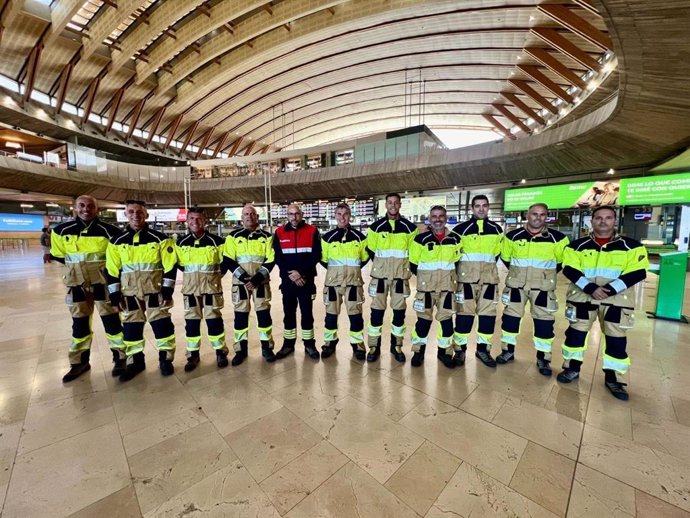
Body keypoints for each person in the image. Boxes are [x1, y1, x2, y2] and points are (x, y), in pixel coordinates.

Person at [557, 205, 648, 400]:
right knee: (575, 335)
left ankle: (613, 378)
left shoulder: (632, 247)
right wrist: (591, 289)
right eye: (598, 218)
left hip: (616, 301)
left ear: (615, 221)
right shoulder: (577, 246)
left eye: (608, 218)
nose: (603, 221)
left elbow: (638, 272)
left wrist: (610, 289)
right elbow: (569, 269)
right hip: (582, 298)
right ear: (592, 221)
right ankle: (572, 369)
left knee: (616, 340)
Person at [50, 195, 124, 382]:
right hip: (76, 285)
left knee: (112, 323)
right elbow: (59, 255)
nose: (86, 209)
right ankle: (79, 363)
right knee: (80, 325)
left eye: (90, 206)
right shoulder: (60, 230)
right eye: (81, 205)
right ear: (74, 208)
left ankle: (121, 358)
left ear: (97, 209)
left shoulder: (110, 231)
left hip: (103, 284)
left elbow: (117, 259)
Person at [106, 200, 177, 381]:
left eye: (139, 212)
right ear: (126, 214)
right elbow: (112, 270)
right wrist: (115, 296)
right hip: (129, 293)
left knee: (162, 327)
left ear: (146, 214)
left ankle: (166, 360)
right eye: (131, 212)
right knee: (131, 330)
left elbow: (170, 267)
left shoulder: (161, 239)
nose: (135, 215)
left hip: (156, 292)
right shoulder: (116, 242)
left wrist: (167, 292)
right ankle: (135, 362)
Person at [496, 203, 569, 376]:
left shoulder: (558, 238)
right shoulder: (512, 236)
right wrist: (518, 275)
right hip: (516, 286)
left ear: (547, 217)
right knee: (510, 320)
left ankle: (543, 358)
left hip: (543, 289)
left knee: (544, 323)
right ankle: (508, 351)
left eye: (542, 214)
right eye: (534, 214)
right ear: (527, 215)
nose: (538, 217)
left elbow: (561, 262)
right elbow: (506, 259)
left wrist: (544, 277)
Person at [451, 195, 504, 367]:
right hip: (466, 281)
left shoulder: (497, 230)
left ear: (488, 208)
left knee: (487, 317)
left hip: (489, 281)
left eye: (484, 206)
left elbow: (496, 254)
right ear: (472, 209)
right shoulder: (460, 230)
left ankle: (483, 350)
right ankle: (460, 350)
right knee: (464, 317)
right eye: (477, 206)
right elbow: (455, 255)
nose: (481, 209)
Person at [365, 193, 417, 363]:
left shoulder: (410, 228)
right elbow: (372, 251)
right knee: (376, 314)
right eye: (390, 203)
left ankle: (397, 346)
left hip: (400, 279)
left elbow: (413, 253)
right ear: (385, 205)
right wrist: (381, 267)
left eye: (396, 203)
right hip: (380, 278)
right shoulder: (375, 228)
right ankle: (374, 346)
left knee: (399, 314)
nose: (393, 205)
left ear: (400, 205)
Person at [175, 207, 229, 371]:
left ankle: (220, 352)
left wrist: (213, 279)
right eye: (191, 218)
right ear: (187, 221)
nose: (195, 222)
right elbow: (179, 264)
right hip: (190, 290)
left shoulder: (217, 242)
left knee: (214, 321)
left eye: (199, 219)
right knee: (191, 323)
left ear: (205, 221)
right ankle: (192, 354)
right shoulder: (181, 243)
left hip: (211, 289)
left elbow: (224, 263)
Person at [222, 204, 276, 365]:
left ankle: (267, 347)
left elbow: (271, 259)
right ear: (242, 217)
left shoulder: (267, 237)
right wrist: (245, 278)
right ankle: (241, 349)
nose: (249, 217)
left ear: (257, 217)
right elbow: (228, 260)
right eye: (246, 214)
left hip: (260, 283)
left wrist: (257, 279)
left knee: (264, 315)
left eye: (252, 214)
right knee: (240, 316)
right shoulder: (233, 237)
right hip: (241, 284)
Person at [409, 206, 461, 368]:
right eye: (434, 216)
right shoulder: (420, 240)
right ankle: (418, 351)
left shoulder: (455, 239)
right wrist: (427, 279)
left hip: (447, 289)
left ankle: (444, 352)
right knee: (423, 322)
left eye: (441, 216)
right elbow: (413, 264)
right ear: (429, 219)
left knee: (446, 322)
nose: (438, 219)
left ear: (446, 218)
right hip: (426, 290)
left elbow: (458, 262)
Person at [320, 203, 369, 360]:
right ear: (335, 216)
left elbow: (364, 259)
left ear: (350, 216)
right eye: (339, 214)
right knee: (331, 316)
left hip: (353, 284)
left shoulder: (360, 238)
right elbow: (323, 260)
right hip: (333, 284)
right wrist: (337, 273)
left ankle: (357, 345)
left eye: (345, 214)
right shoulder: (327, 238)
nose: (342, 217)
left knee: (355, 316)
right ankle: (330, 343)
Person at [272, 204, 321, 360]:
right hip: (288, 282)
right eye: (291, 214)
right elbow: (279, 258)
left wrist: (301, 273)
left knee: (307, 314)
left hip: (306, 282)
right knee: (289, 314)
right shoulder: (279, 232)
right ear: (287, 215)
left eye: (297, 214)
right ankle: (288, 344)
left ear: (302, 214)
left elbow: (316, 255)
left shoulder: (312, 231)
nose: (294, 217)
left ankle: (309, 344)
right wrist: (292, 275)